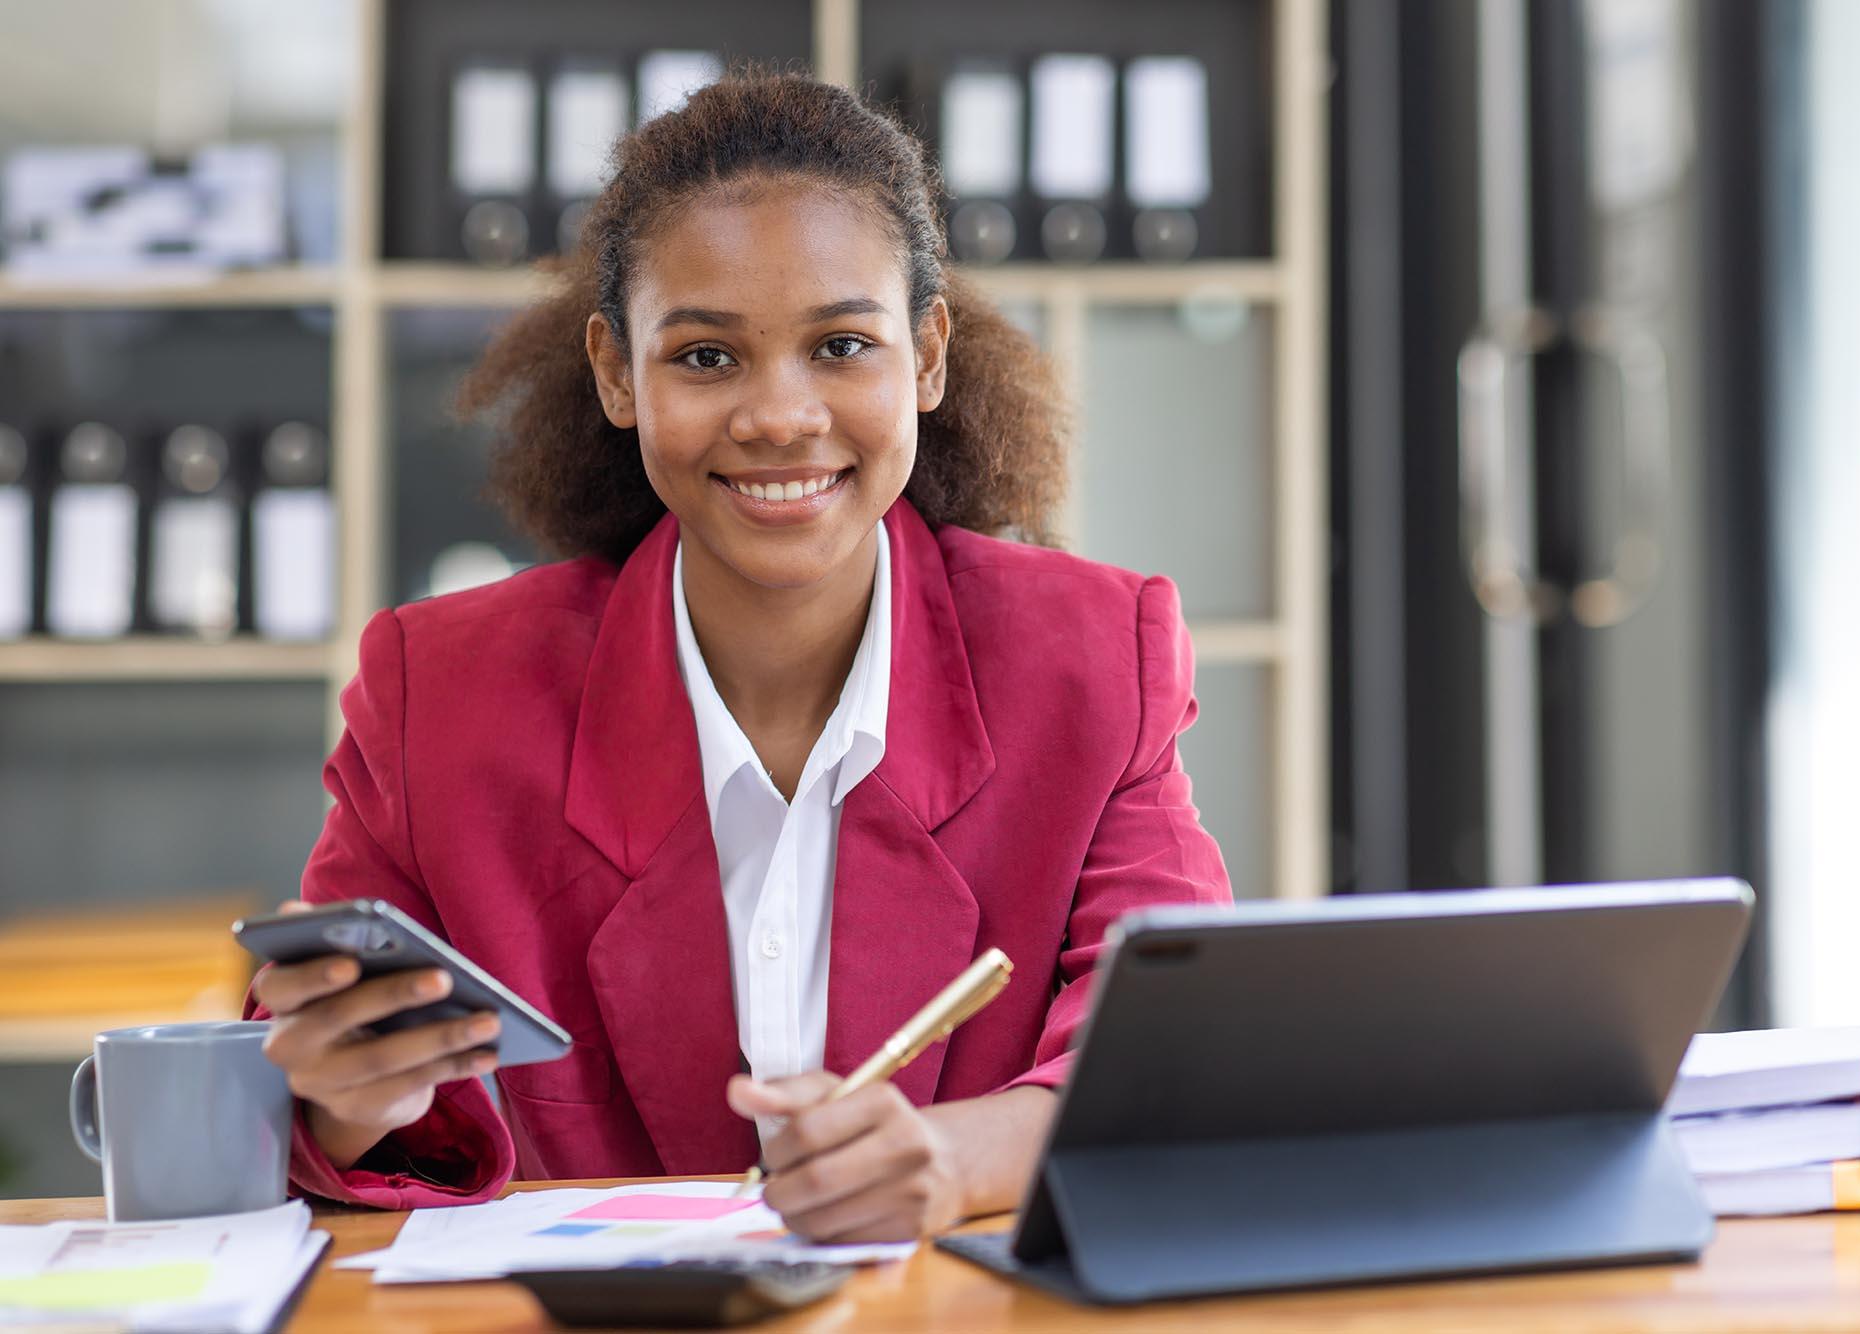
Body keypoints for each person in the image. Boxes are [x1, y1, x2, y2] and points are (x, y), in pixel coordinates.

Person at [247, 72, 1231, 1243]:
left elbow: (1170, 1052)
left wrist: (950, 1156)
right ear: (619, 372)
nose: (779, 415)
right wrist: (347, 1099)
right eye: (707, 358)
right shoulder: (441, 691)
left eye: (841, 345)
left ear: (925, 357)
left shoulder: (1089, 661)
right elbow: (318, 1101)